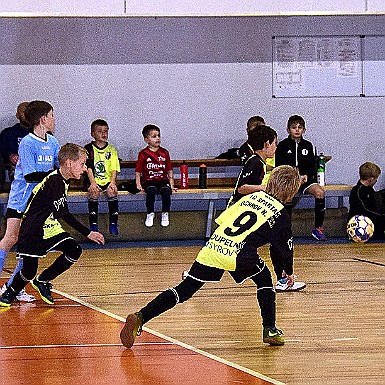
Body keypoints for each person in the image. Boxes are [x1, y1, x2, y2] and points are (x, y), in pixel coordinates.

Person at [120, 165, 302, 349]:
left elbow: (223, 221)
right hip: (239, 253)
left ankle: (141, 316)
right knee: (264, 279)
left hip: (214, 248)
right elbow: (283, 251)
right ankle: (270, 329)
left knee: (184, 290)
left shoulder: (251, 197)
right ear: (290, 192)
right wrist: (287, 273)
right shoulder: (281, 214)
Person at [0, 143, 105, 307]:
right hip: (33, 229)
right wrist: (88, 232)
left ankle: (43, 280)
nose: (84, 169)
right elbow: (63, 214)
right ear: (69, 163)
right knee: (28, 271)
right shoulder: (54, 182)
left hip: (48, 227)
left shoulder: (64, 180)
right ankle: (10, 293)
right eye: (82, 164)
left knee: (74, 249)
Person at [227, 125, 305, 292]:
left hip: (247, 212)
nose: (276, 147)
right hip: (239, 212)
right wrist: (267, 188)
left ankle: (282, 278)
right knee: (273, 240)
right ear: (266, 144)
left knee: (236, 249)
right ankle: (283, 278)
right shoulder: (255, 162)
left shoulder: (258, 162)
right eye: (275, 143)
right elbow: (242, 188)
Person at [0, 100, 60, 302]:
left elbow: (59, 167)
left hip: (38, 204)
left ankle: (14, 287)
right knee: (10, 239)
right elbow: (30, 175)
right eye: (52, 115)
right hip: (20, 200)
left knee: (28, 245)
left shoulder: (52, 142)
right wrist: (53, 175)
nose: (54, 119)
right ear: (43, 119)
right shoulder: (27, 142)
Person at [275, 115, 327, 241]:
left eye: (300, 127)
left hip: (305, 180)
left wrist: (305, 176)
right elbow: (279, 166)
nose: (297, 130)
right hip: (289, 181)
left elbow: (311, 165)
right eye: (294, 128)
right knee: (288, 196)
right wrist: (293, 177)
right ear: (288, 130)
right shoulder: (282, 146)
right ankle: (286, 230)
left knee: (319, 192)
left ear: (304, 130)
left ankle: (318, 228)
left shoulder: (308, 145)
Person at [84, 119, 120, 236]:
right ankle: (93, 224)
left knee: (112, 192)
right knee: (94, 192)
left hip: (108, 181)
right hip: (93, 180)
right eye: (100, 131)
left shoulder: (112, 149)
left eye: (106, 131)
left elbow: (114, 168)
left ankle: (113, 223)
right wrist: (93, 183)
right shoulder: (88, 149)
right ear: (93, 134)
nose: (104, 134)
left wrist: (113, 182)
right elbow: (88, 167)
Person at [136, 124, 176, 227]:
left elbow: (169, 170)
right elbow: (138, 171)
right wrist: (138, 184)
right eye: (154, 136)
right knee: (151, 190)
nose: (157, 138)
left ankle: (165, 213)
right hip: (149, 180)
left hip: (162, 180)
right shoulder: (143, 154)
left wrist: (171, 184)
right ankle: (150, 213)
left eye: (158, 136)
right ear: (146, 139)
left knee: (166, 191)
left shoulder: (164, 152)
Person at [348, 162, 385, 240]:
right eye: (376, 179)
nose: (376, 181)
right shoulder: (357, 191)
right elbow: (365, 210)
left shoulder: (370, 190)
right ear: (371, 179)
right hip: (361, 224)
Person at [0, 102, 30, 182]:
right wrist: (10, 156)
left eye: (29, 112)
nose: (27, 115)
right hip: (16, 171)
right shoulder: (8, 134)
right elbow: (2, 154)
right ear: (17, 115)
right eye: (23, 112)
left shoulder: (43, 134)